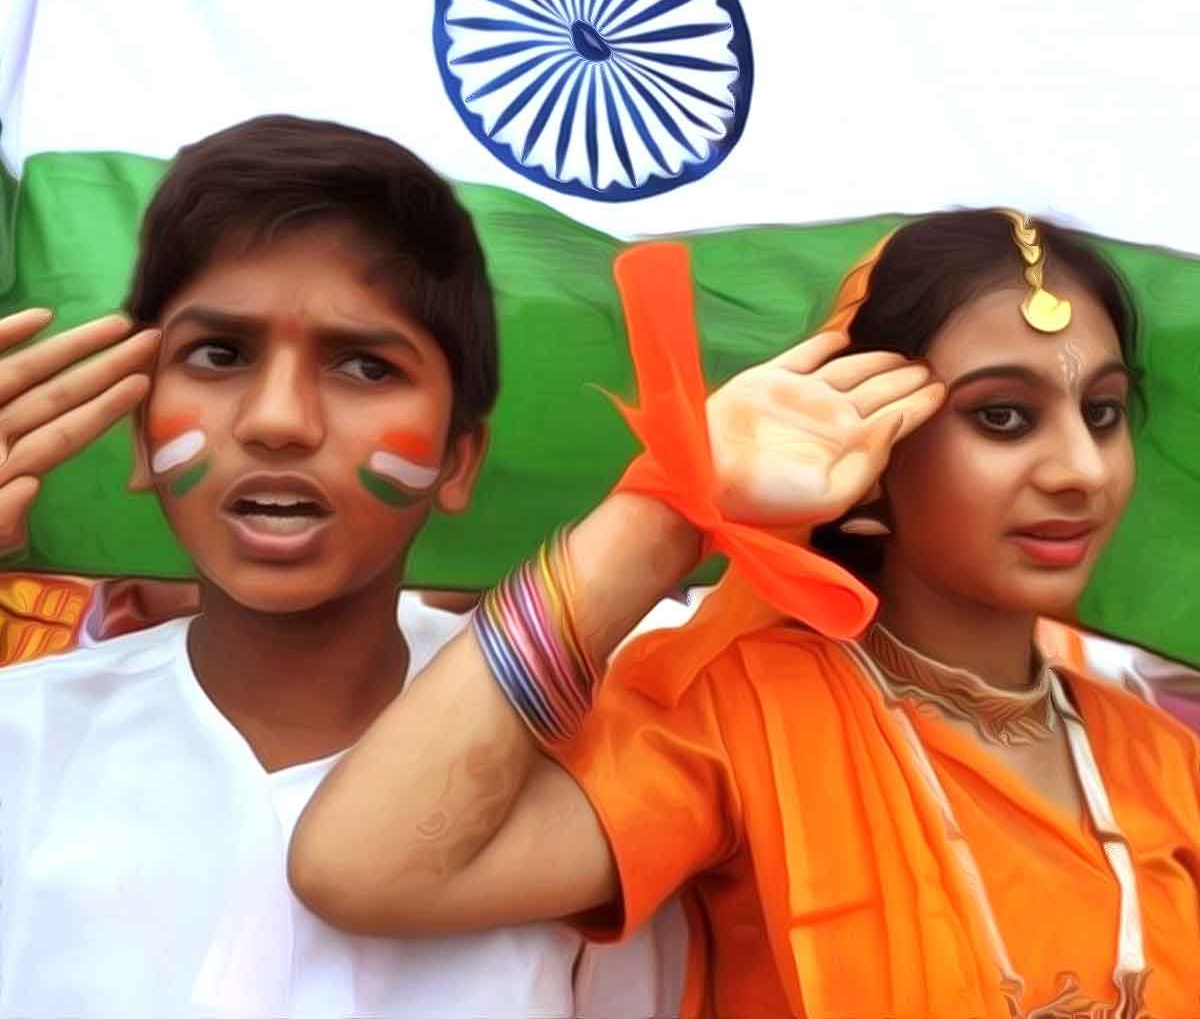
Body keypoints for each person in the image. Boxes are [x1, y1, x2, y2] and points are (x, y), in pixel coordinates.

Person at [290, 209, 1200, 1017]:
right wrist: (674, 507)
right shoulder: (747, 715)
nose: (1081, 470)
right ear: (874, 444)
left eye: (1104, 412)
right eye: (1003, 417)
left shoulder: (1163, 762)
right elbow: (364, 866)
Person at [0, 114, 680, 1018]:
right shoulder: (20, 744)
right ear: (138, 436)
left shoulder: (593, 788)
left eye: (364, 366)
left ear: (458, 460)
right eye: (219, 355)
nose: (278, 420)